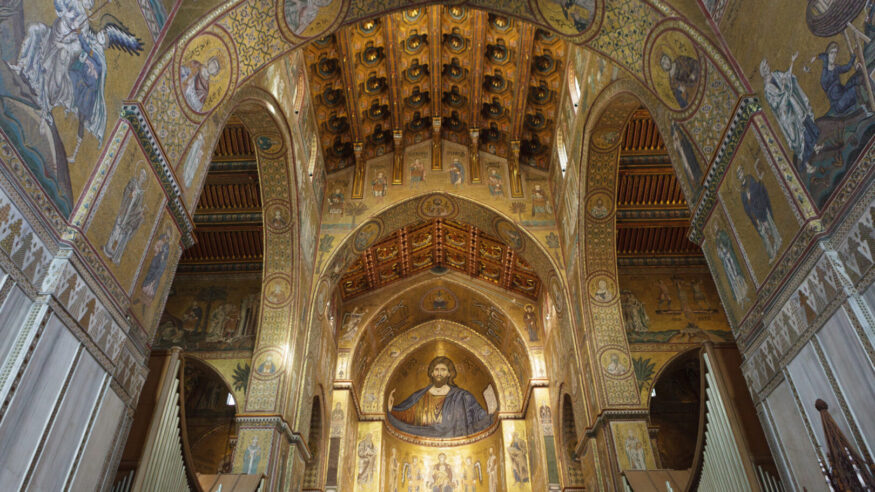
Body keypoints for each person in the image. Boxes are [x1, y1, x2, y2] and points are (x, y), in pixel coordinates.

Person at [388, 356, 493, 438]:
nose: (439, 373)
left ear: (449, 373)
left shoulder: (462, 396)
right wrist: (391, 409)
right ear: (432, 373)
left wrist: (492, 412)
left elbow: (480, 416)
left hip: (456, 443)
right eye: (436, 369)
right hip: (423, 438)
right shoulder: (420, 396)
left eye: (443, 370)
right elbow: (406, 415)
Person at [760, 53, 821, 165]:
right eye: (765, 67)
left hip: (792, 103)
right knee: (796, 137)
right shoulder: (767, 89)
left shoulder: (776, 74)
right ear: (763, 72)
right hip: (786, 114)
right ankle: (806, 163)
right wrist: (783, 89)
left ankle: (815, 146)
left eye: (767, 65)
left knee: (804, 119)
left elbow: (787, 76)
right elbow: (775, 104)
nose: (768, 67)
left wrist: (792, 62)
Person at [103, 169, 147, 264]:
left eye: (144, 177)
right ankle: (107, 248)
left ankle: (113, 254)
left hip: (129, 215)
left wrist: (140, 212)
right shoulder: (133, 182)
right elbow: (126, 190)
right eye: (142, 175)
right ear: (139, 175)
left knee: (121, 235)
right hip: (125, 209)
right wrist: (131, 194)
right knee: (116, 229)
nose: (142, 178)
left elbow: (137, 206)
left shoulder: (141, 194)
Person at [738, 166, 781, 260]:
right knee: (763, 232)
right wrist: (748, 199)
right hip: (755, 214)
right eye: (738, 174)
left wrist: (752, 195)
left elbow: (757, 189)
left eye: (741, 172)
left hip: (761, 206)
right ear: (738, 177)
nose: (740, 175)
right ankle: (771, 253)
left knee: (770, 225)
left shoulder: (749, 178)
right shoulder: (741, 190)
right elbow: (746, 206)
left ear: (743, 172)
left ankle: (778, 241)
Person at [811, 41, 862, 116]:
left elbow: (847, 67)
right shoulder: (824, 76)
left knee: (855, 78)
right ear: (827, 54)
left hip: (843, 94)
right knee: (854, 89)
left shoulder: (836, 68)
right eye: (831, 53)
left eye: (835, 53)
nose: (834, 55)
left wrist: (854, 55)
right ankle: (864, 107)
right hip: (838, 104)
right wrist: (818, 57)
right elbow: (824, 58)